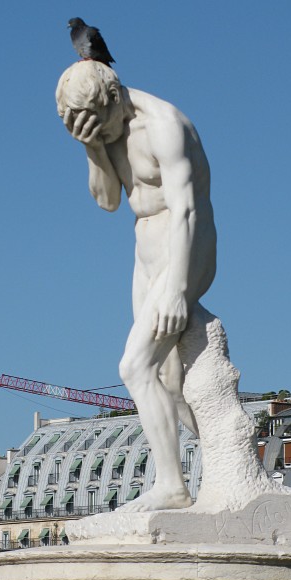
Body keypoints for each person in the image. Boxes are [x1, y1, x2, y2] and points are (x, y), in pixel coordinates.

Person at [56, 61, 217, 511]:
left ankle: (171, 487)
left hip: (185, 246)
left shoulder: (164, 124)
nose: (99, 135)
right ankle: (223, 463)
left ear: (114, 98)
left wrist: (176, 288)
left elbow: (188, 210)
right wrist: (92, 147)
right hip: (144, 251)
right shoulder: (105, 129)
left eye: (97, 125)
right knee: (167, 380)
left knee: (134, 366)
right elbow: (109, 201)